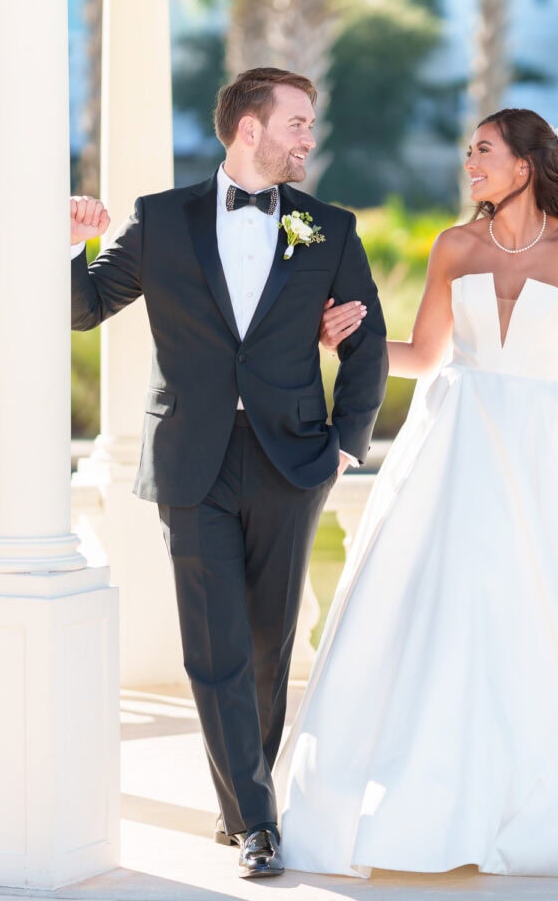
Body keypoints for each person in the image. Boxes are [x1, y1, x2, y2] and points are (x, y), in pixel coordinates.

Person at [275, 82, 558, 880]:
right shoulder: (454, 247)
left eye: (484, 152)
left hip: (535, 450)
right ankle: (419, 799)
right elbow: (425, 357)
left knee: (539, 608)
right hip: (452, 443)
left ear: (528, 165)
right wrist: (344, 346)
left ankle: (538, 805)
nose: (470, 165)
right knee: (439, 604)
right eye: (468, 152)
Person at [67, 67, 388, 879]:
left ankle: (242, 800)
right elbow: (85, 306)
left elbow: (367, 342)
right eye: (298, 124)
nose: (309, 138)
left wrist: (346, 443)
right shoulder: (160, 221)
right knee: (214, 646)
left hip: (292, 458)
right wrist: (69, 242)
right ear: (250, 129)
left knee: (269, 642)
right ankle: (256, 819)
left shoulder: (328, 228)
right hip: (191, 459)